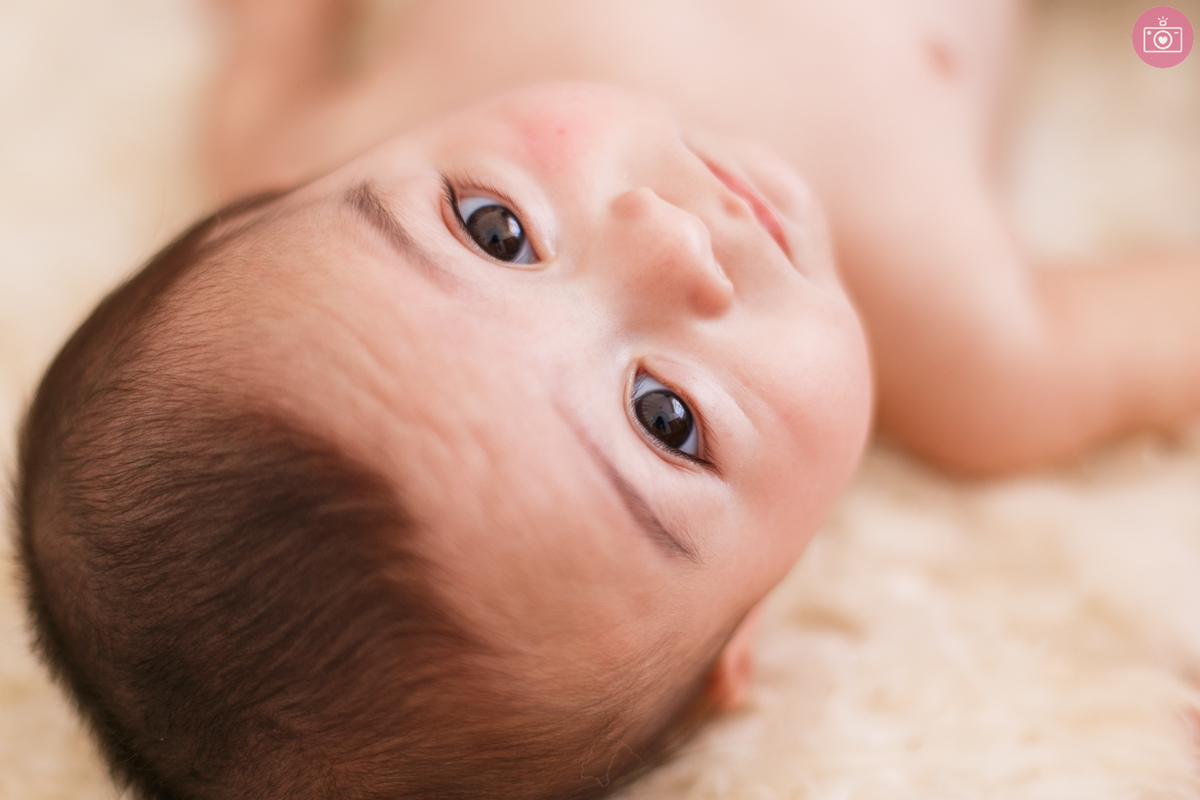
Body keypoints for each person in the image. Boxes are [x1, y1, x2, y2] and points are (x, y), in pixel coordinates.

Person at [15, 1, 1199, 798]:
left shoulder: (290, 136)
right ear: (743, 631)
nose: (667, 241)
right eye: (664, 418)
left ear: (297, 186)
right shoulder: (988, 355)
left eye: (495, 229)